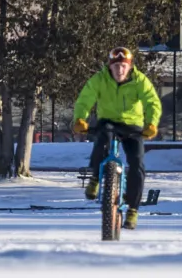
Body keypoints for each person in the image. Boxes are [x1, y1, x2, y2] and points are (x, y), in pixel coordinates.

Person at [71, 46, 161, 231]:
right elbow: (85, 98)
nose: (120, 70)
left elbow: (152, 102)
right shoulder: (100, 79)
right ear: (110, 66)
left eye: (123, 66)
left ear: (130, 67)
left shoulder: (140, 81)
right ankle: (95, 178)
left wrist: (151, 124)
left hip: (132, 125)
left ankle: (133, 210)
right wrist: (80, 118)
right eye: (116, 66)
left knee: (137, 164)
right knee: (102, 139)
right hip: (108, 122)